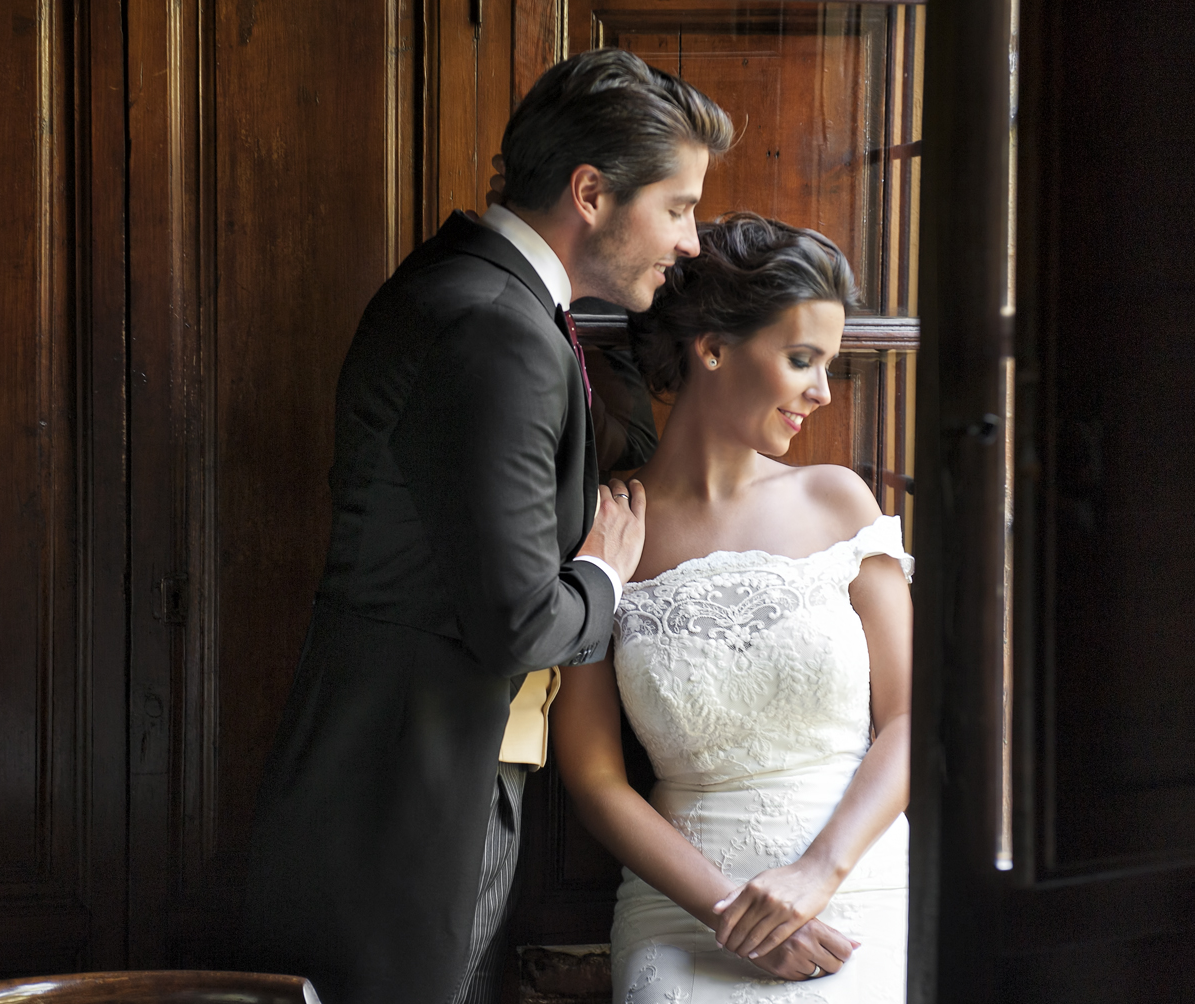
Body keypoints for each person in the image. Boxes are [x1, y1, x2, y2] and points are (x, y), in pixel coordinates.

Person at [239, 50, 732, 1004]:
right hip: (403, 797)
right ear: (591, 192)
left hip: (407, 777)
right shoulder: (492, 326)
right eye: (678, 207)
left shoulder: (487, 297)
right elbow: (517, 622)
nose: (693, 242)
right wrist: (606, 577)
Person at [551, 214, 913, 1003]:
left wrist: (817, 874)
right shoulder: (612, 528)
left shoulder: (837, 502)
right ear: (712, 349)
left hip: (860, 886)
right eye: (801, 360)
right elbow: (594, 776)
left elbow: (914, 719)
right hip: (684, 906)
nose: (822, 391)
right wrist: (723, 908)